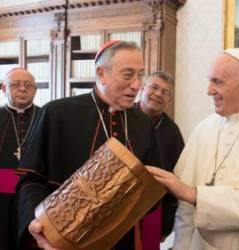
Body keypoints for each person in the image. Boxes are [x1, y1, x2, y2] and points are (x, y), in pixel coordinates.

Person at [15, 40, 165, 250]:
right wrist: (36, 226)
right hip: (62, 240)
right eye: (128, 74)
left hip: (121, 242)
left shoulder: (143, 124)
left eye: (140, 75)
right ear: (101, 73)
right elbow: (32, 181)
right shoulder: (58, 113)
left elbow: (152, 189)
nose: (137, 84)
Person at [147, 48, 239, 250]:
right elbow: (185, 208)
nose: (209, 90)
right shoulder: (204, 128)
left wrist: (196, 195)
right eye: (210, 81)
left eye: (217, 82)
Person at [136, 71, 184, 250]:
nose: (158, 94)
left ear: (169, 100)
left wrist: (167, 222)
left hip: (152, 208)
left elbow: (175, 180)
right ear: (142, 88)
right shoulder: (123, 116)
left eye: (165, 92)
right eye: (154, 87)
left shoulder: (173, 133)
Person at [0, 68, 40, 250]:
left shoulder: (46, 116)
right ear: (3, 88)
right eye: (15, 85)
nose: (22, 89)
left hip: (36, 195)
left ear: (35, 90)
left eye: (28, 85)